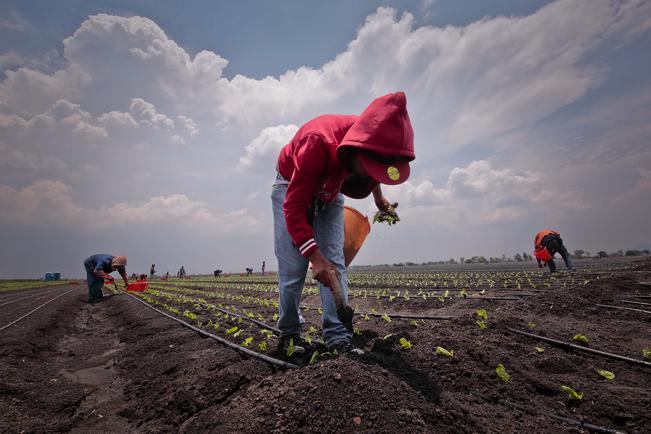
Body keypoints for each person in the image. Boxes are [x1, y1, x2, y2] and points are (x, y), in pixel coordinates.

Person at [272, 91, 415, 356]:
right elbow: (293, 207)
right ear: (357, 150)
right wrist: (315, 257)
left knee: (335, 262)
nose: (370, 175)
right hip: (292, 184)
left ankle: (338, 336)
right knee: (294, 269)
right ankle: (289, 333)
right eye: (368, 168)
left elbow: (375, 167)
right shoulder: (316, 143)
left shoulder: (372, 141)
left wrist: (379, 198)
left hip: (331, 184)